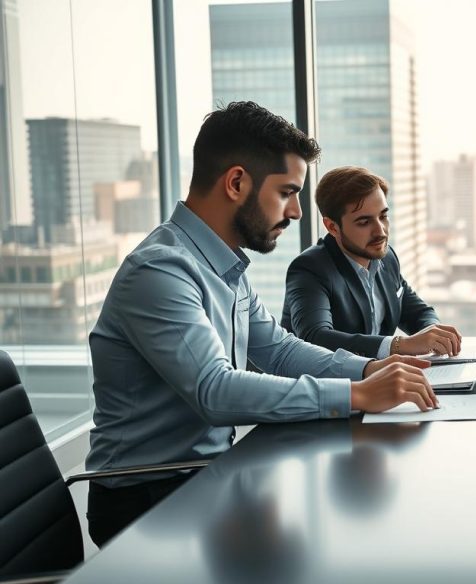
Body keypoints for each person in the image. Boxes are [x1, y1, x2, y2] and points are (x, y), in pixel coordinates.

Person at [86, 102, 437, 547]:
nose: (295, 212)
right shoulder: (161, 270)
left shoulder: (225, 267)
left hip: (207, 474)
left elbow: (278, 350)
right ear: (236, 183)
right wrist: (357, 394)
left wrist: (370, 370)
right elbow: (215, 390)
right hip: (147, 496)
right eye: (287, 193)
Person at [282, 166, 462, 358]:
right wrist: (400, 345)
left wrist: (434, 334)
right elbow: (315, 337)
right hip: (324, 384)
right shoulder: (310, 269)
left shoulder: (386, 257)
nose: (381, 231)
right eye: (364, 222)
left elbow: (417, 312)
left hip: (376, 379)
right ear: (332, 227)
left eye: (383, 216)